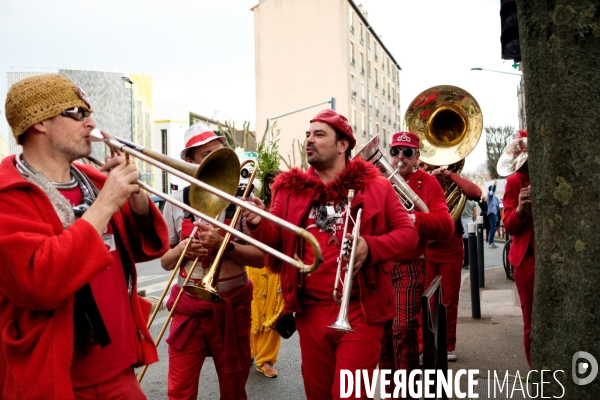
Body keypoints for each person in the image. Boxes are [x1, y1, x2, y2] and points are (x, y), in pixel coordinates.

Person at [0, 74, 170, 399]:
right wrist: (105, 204)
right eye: (78, 112)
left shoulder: (94, 179)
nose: (91, 123)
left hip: (119, 369)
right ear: (40, 122)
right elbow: (38, 285)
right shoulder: (8, 194)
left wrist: (136, 199)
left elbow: (146, 248)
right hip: (54, 379)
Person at [243, 109, 418, 399]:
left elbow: (408, 235)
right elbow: (276, 242)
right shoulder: (288, 189)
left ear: (342, 145)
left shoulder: (378, 186)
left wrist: (370, 246)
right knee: (317, 393)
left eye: (319, 134)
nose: (309, 140)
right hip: (310, 313)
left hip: (360, 311)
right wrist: (259, 222)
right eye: (308, 134)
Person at [160, 123, 266, 400]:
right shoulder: (175, 202)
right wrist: (182, 249)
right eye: (206, 155)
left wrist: (225, 245)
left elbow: (261, 259)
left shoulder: (243, 202)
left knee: (233, 390)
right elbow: (165, 262)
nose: (215, 162)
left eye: (218, 154)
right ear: (189, 161)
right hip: (188, 309)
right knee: (179, 390)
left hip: (232, 307)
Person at [379, 132, 454, 384]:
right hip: (379, 264)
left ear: (417, 157)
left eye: (407, 152)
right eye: (395, 151)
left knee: (403, 329)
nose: (400, 157)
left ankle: (407, 389)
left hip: (409, 263)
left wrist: (412, 218)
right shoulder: (378, 181)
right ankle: (392, 390)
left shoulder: (427, 183)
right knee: (382, 333)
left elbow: (446, 225)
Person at [417, 161, 482, 362]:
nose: (427, 166)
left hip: (451, 245)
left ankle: (447, 345)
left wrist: (449, 174)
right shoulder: (422, 180)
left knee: (448, 300)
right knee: (425, 300)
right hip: (427, 246)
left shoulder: (452, 182)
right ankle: (423, 345)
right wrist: (428, 176)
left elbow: (476, 193)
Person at [502, 130, 534, 367]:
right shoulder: (514, 180)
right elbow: (509, 227)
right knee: (530, 324)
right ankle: (537, 375)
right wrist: (520, 211)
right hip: (527, 259)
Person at [248, 171, 284, 379]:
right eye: (271, 182)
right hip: (255, 264)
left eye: (276, 183)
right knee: (254, 310)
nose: (273, 186)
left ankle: (266, 359)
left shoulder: (286, 204)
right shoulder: (257, 201)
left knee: (275, 311)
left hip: (276, 266)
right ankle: (251, 352)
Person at [461, 199, 479, 269]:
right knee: (469, 244)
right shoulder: (473, 201)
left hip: (460, 221)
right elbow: (475, 215)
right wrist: (473, 220)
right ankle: (467, 262)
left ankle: (462, 262)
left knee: (461, 244)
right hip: (469, 221)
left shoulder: (460, 198)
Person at [487, 180, 501, 248]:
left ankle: (492, 242)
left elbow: (498, 206)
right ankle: (491, 243)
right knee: (493, 228)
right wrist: (494, 185)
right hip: (492, 213)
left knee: (494, 228)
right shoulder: (490, 196)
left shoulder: (495, 198)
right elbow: (491, 192)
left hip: (495, 214)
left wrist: (499, 215)